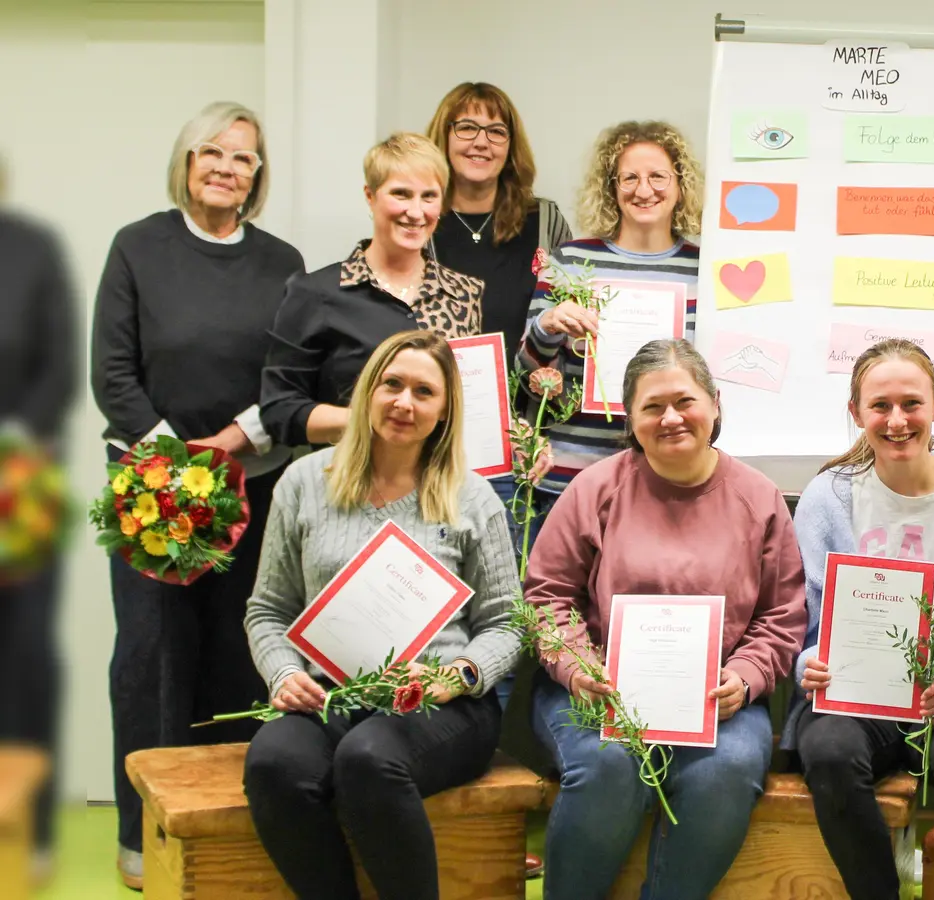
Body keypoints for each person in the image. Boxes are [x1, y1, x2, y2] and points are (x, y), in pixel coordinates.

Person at [88, 101, 305, 889]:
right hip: (151, 493)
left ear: (257, 175)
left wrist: (233, 444)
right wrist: (179, 465)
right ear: (186, 162)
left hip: (249, 484)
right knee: (150, 660)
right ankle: (144, 833)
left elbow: (287, 379)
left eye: (242, 157)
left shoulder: (282, 261)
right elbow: (113, 375)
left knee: (237, 658)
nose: (225, 167)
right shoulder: (138, 247)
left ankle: (227, 834)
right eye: (210, 152)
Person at [241, 330, 521, 900]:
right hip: (331, 696)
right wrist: (281, 673)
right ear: (368, 390)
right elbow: (267, 609)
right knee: (273, 762)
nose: (404, 403)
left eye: (424, 392)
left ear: (444, 412)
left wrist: (457, 676)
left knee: (368, 758)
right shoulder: (303, 483)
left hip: (444, 705)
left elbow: (510, 623)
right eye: (392, 384)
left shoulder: (473, 498)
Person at [523, 339, 805, 899]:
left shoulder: (759, 498)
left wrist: (745, 677)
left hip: (715, 702)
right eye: (652, 406)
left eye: (685, 401)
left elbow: (781, 615)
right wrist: (580, 668)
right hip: (595, 691)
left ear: (715, 404)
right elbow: (547, 595)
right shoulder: (596, 489)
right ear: (630, 418)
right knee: (609, 767)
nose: (671, 417)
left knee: (725, 772)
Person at [786, 339, 934, 900]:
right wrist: (811, 661)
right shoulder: (827, 500)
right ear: (856, 414)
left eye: (912, 404)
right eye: (880, 406)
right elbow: (803, 613)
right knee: (827, 751)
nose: (897, 421)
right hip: (854, 697)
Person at [518, 120, 702, 529]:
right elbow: (525, 373)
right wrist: (548, 326)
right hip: (568, 481)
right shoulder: (568, 260)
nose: (643, 189)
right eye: (629, 177)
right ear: (611, 187)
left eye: (658, 176)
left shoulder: (704, 269)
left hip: (667, 480)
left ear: (681, 184)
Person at [261, 132, 484, 448]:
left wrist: (515, 440)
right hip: (349, 484)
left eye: (429, 196)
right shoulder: (316, 294)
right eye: (401, 194)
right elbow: (278, 412)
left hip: (436, 489)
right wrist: (374, 418)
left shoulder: (463, 294)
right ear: (370, 196)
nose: (416, 212)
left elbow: (469, 404)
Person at [425, 82, 573, 543]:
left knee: (514, 585)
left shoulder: (545, 221)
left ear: (511, 146)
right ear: (443, 137)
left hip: (526, 442)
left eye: (496, 130)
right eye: (467, 127)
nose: (481, 141)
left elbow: (569, 321)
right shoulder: (421, 219)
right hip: (436, 436)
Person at [0, 197, 77, 885]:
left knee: (24, 658)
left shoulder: (32, 249)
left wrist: (12, 444)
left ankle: (34, 831)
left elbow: (58, 367)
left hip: (15, 488)